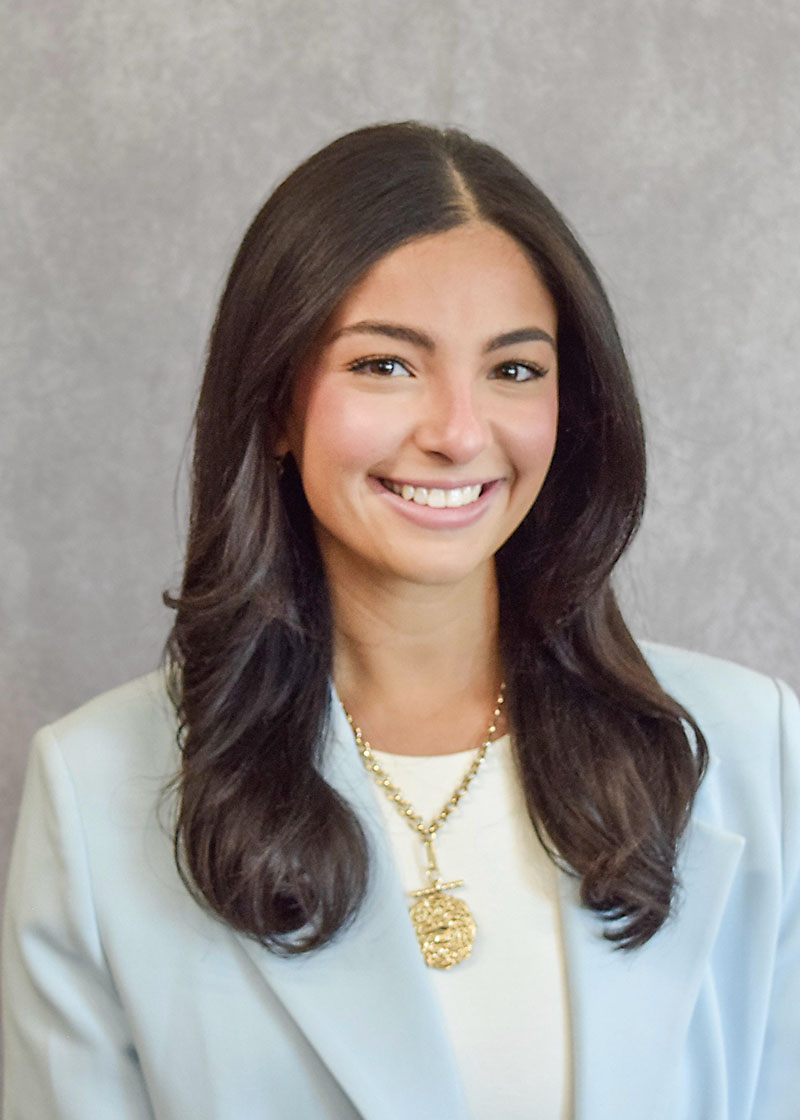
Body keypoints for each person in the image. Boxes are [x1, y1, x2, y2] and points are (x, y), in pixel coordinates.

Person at [2, 122, 798, 1120]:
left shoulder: (748, 749)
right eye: (385, 365)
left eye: (513, 369)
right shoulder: (95, 789)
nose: (458, 432)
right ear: (278, 404)